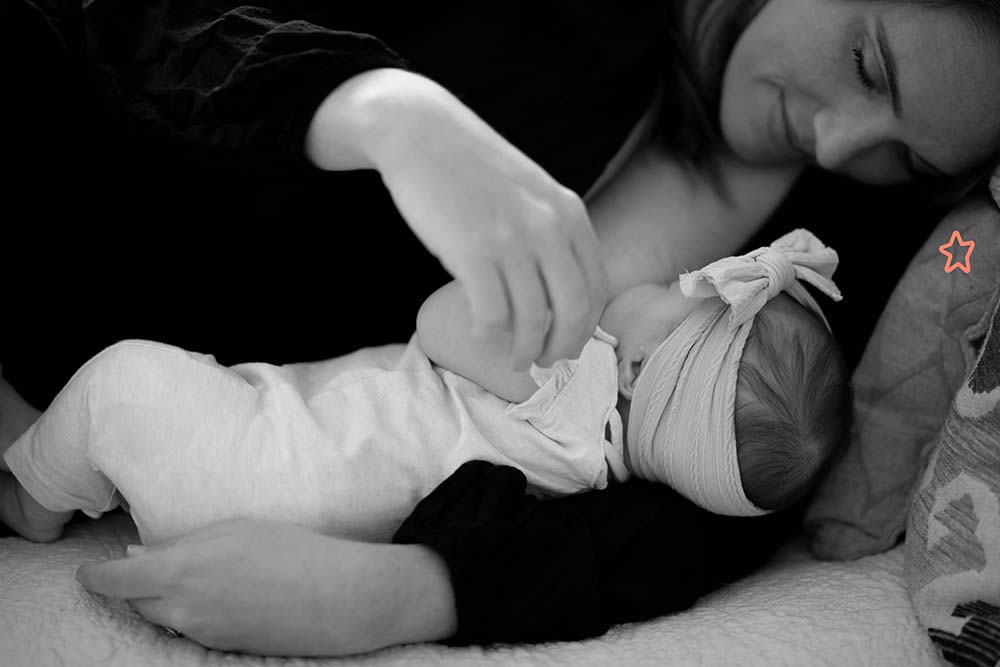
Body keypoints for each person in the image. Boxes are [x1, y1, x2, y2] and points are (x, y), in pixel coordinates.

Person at [0, 0, 998, 657]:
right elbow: (136, 21)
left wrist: (409, 590)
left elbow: (718, 509)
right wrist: (385, 112)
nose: (837, 143)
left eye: (906, 160)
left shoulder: (829, 264)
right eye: (866, 63)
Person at [1, 230, 848, 545]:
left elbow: (440, 323)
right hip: (285, 499)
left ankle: (36, 498)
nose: (669, 271)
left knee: (123, 380)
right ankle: (98, 477)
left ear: (633, 368)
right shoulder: (593, 471)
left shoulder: (573, 381)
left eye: (683, 283)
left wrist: (532, 288)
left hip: (278, 467)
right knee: (194, 401)